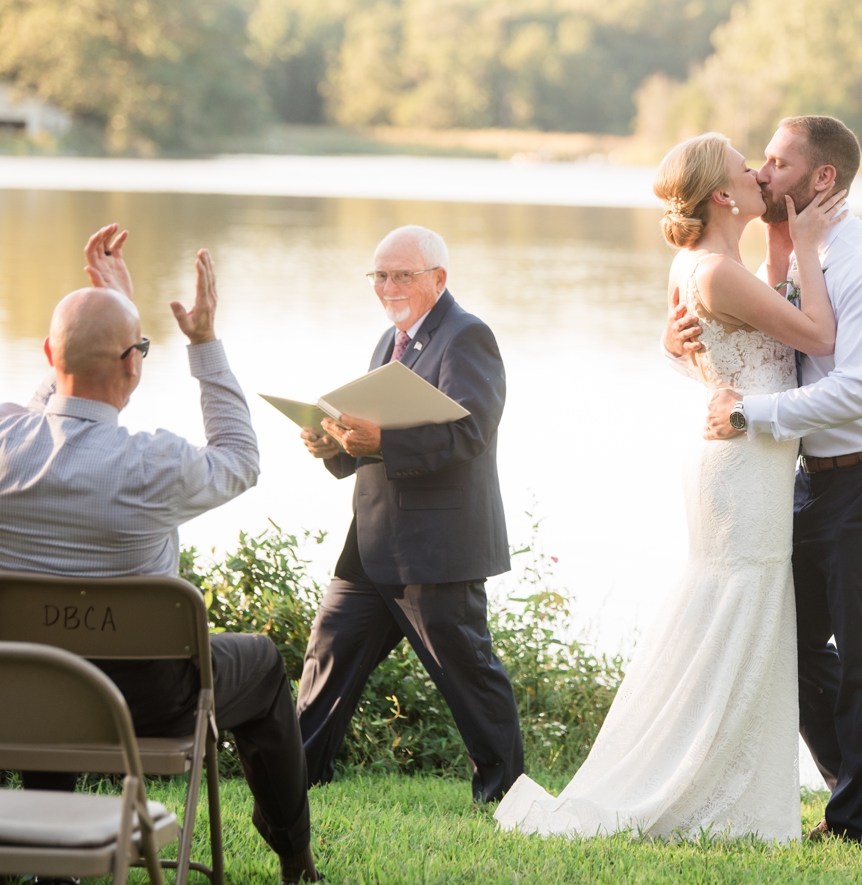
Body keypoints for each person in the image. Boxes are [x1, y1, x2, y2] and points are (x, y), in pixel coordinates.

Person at [493, 132, 846, 840]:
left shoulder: (705, 264)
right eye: (746, 168)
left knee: (736, 610)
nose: (757, 174)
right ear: (722, 194)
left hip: (740, 457)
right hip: (742, 465)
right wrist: (807, 240)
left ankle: (735, 780)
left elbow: (689, 346)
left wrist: (777, 242)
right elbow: (818, 335)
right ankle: (706, 786)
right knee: (740, 605)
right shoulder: (714, 269)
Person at [0, 225, 322, 884]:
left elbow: (46, 409)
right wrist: (203, 342)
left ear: (46, 355)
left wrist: (96, 332)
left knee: (51, 659)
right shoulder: (151, 463)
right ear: (132, 365)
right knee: (259, 662)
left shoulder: (6, 440)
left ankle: (52, 866)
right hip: (147, 702)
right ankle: (296, 858)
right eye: (137, 351)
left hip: (18, 693)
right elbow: (239, 458)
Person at [667, 116, 862, 843]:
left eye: (778, 163)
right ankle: (860, 793)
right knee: (788, 638)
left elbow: (856, 392)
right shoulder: (798, 253)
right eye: (760, 162)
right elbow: (764, 335)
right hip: (813, 476)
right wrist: (684, 339)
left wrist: (747, 414)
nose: (761, 174)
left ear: (822, 179)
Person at [295, 224, 525, 804]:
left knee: (466, 673)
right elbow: (371, 434)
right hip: (372, 540)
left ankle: (506, 794)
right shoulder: (388, 339)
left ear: (437, 278)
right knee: (328, 651)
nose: (388, 286)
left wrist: (378, 444)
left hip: (436, 545)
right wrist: (334, 446)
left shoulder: (468, 335)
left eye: (402, 275)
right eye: (380, 275)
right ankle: (294, 777)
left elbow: (471, 432)